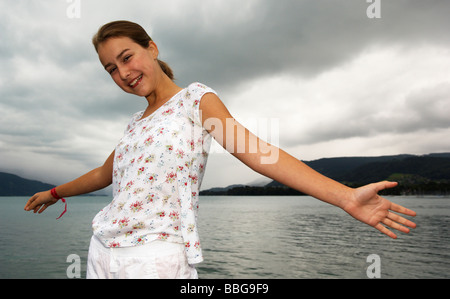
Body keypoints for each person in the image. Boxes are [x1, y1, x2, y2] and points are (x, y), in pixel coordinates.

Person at [24, 20, 416, 279]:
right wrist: (53, 192)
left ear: (152, 47)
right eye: (110, 68)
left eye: (127, 57)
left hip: (154, 256)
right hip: (101, 249)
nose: (123, 73)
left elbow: (254, 151)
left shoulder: (196, 100)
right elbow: (103, 174)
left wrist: (344, 196)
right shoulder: (135, 123)